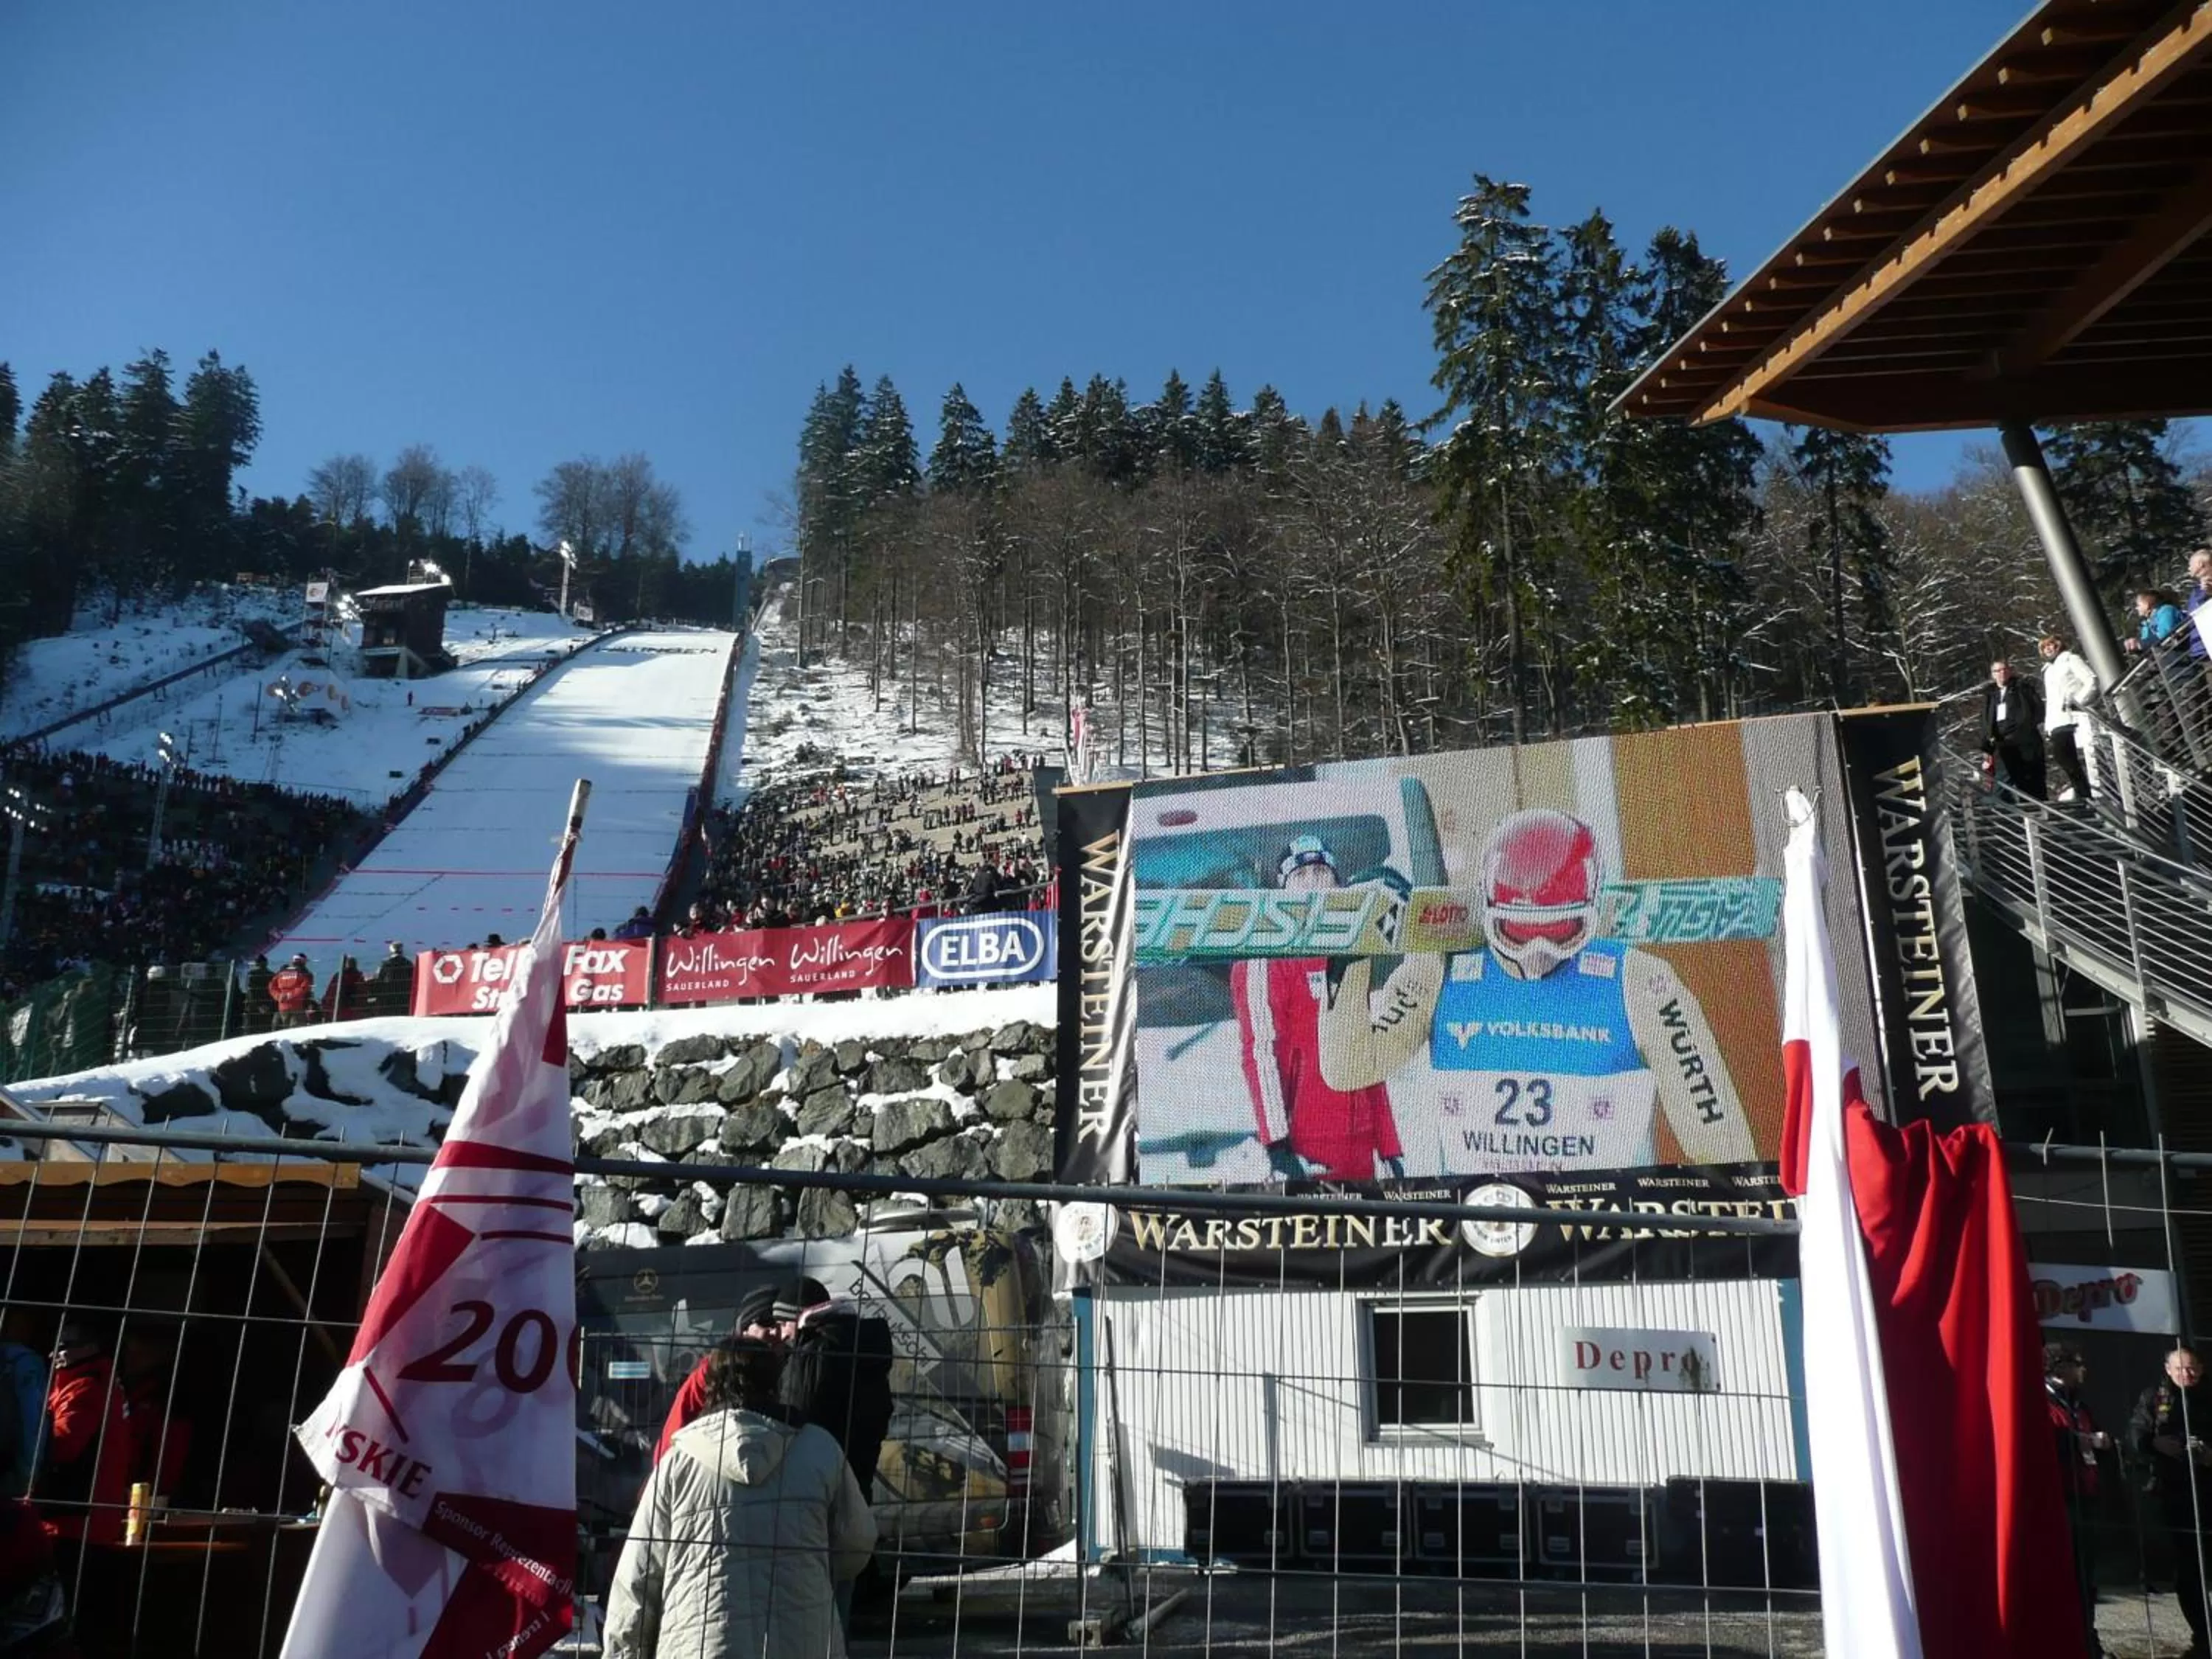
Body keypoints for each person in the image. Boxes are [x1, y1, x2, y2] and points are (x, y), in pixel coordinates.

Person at [1320, 807, 1756, 1177]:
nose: (1538, 955)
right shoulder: (1442, 968)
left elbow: (1719, 1138)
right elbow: (1349, 1068)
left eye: (1563, 933)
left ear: (1592, 911)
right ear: (1488, 912)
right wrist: (1356, 946)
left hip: (1595, 1235)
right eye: (1516, 934)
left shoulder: (1640, 981)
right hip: (1484, 1228)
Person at [605, 1338, 877, 1659]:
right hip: (804, 1638)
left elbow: (638, 1577)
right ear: (776, 1381)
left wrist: (625, 1652)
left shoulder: (678, 1462)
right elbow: (857, 1542)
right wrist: (812, 1570)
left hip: (700, 1644)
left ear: (711, 1383)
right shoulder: (820, 1449)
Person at [1231, 834, 1405, 1182]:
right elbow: (1260, 1053)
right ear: (1283, 890)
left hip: (1361, 1140)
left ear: (1338, 884)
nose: (1313, 884)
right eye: (1301, 876)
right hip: (1306, 1144)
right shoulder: (1265, 958)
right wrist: (1277, 1144)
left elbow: (1364, 1050)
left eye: (1322, 873)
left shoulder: (1352, 951)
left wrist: (1389, 1146)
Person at [2132, 1345, 2212, 1658]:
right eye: (2180, 1369)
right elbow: (2135, 1434)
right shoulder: (2155, 1397)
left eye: (2192, 1369)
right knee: (2188, 1568)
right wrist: (2155, 1443)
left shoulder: (2208, 1396)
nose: (2186, 1375)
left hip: (2208, 1485)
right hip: (2175, 1490)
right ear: (2168, 1370)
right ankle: (2203, 1633)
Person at [32, 1323, 131, 1552]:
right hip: (91, 1519)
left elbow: (61, 1447)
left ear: (89, 1348)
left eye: (63, 1347)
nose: (53, 1355)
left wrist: (23, 1439)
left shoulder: (85, 1388)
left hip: (73, 1521)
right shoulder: (100, 1383)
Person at [2046, 1342, 2110, 1655]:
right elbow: (2043, 1440)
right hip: (2060, 1497)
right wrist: (2077, 1440)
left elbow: (2095, 1433)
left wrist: (2103, 1442)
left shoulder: (2079, 1404)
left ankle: (2088, 1638)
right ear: (2060, 1367)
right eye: (2078, 1364)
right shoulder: (2042, 1399)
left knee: (2087, 1574)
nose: (2083, 1370)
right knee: (2066, 1574)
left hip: (2087, 1492)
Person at [2039, 634, 2100, 803]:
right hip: (2057, 719)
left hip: (2073, 716)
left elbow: (2091, 680)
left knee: (2079, 755)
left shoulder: (2071, 659)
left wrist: (2077, 701)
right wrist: (2048, 726)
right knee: (2062, 757)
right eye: (2044, 647)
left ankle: (2086, 793)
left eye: (2051, 645)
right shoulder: (2047, 670)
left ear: (2058, 645)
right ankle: (2082, 791)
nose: (2048, 649)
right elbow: (2051, 699)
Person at [1982, 658, 2047, 799]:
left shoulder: (2022, 688)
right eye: (1998, 671)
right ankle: (1998, 812)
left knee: (2031, 784)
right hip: (2002, 744)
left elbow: (2038, 711)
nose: (2002, 673)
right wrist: (1986, 747)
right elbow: (1987, 721)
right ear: (1993, 674)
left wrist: (2025, 730)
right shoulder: (1991, 696)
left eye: (2005, 670)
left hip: (2025, 742)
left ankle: (2039, 813)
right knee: (2002, 781)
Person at [267, 954, 316, 1029]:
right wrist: (290, 995)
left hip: (282, 1006)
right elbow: (305, 988)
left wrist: (278, 996)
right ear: (303, 962)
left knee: (284, 1029)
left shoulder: (281, 973)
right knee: (296, 1031)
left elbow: (272, 986)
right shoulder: (304, 974)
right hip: (298, 1005)